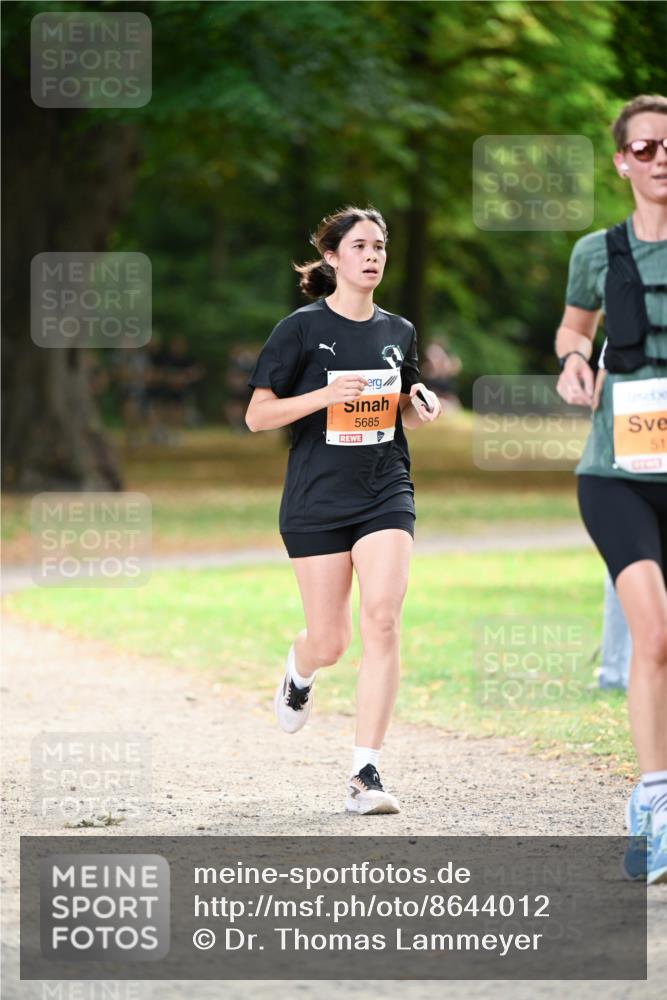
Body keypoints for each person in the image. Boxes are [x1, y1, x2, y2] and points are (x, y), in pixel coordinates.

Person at [245, 205, 442, 814]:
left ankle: (366, 773)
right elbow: (257, 417)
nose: (373, 255)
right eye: (360, 245)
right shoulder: (299, 330)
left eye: (380, 245)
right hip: (316, 499)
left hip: (385, 489)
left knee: (382, 618)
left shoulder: (399, 331)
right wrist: (324, 395)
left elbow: (401, 399)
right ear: (332, 258)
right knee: (330, 641)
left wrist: (420, 401)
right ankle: (301, 668)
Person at [555, 95, 667, 884]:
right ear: (623, 161)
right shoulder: (597, 249)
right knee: (653, 638)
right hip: (616, 476)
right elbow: (571, 327)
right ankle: (654, 799)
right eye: (648, 147)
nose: (662, 158)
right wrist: (571, 358)